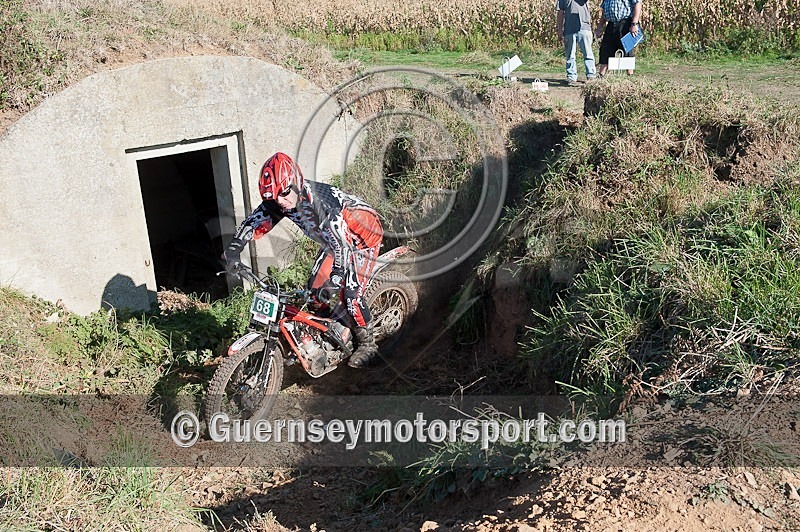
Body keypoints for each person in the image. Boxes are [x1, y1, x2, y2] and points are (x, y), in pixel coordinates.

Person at [223, 152, 384, 368]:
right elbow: (253, 223)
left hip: (361, 239)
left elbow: (343, 247)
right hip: (333, 242)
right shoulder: (281, 200)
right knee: (314, 290)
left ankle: (368, 345)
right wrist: (233, 249)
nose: (281, 201)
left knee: (351, 295)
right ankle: (330, 332)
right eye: (274, 197)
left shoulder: (322, 204)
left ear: (296, 182)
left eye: (285, 193)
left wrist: (335, 280)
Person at [595, 0, 642, 76]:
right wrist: (600, 27)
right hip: (611, 24)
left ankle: (630, 76)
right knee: (606, 50)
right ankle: (601, 76)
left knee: (627, 50)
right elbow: (604, 12)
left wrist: (634, 23)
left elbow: (638, 3)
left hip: (625, 24)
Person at [556, 0, 597, 84]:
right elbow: (560, 13)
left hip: (584, 28)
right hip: (569, 30)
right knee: (570, 55)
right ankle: (571, 77)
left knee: (588, 54)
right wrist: (559, 29)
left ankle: (591, 75)